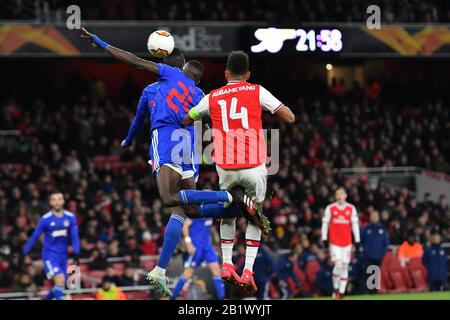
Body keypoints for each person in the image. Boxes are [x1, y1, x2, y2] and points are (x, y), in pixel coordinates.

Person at [80, 28, 258, 296]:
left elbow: (139, 114)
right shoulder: (198, 93)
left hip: (165, 142)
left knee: (170, 200)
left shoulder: (154, 87)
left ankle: (229, 198)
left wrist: (128, 140)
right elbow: (213, 124)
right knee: (189, 210)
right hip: (188, 148)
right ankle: (235, 210)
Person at [183, 50, 295, 294]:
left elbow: (187, 118)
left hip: (225, 166)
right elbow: (289, 116)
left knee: (228, 212)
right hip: (254, 164)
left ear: (225, 74)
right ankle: (248, 271)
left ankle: (226, 264)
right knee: (257, 213)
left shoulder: (212, 97)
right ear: (248, 74)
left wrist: (200, 116)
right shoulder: (257, 90)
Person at [22, 192, 80, 300]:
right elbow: (34, 236)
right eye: (54, 199)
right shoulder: (45, 219)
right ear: (50, 202)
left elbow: (75, 236)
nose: (57, 202)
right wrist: (24, 252)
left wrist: (77, 253)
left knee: (59, 285)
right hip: (49, 255)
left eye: (59, 199)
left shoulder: (70, 218)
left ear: (63, 201)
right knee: (60, 279)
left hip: (63, 255)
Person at [321, 187, 360, 299]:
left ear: (345, 195)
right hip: (335, 242)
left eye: (341, 194)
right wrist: (324, 237)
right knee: (338, 265)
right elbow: (325, 223)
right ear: (335, 196)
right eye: (337, 194)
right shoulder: (330, 208)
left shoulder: (351, 208)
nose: (340, 196)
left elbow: (355, 225)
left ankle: (341, 293)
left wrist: (357, 240)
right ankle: (336, 288)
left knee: (345, 266)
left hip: (347, 243)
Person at [171, 217, 225, 300]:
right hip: (196, 247)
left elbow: (210, 226)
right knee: (188, 273)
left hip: (207, 246)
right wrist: (188, 243)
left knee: (217, 271)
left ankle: (222, 298)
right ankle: (173, 297)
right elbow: (185, 226)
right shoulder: (197, 210)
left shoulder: (211, 212)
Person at [360, 210, 389, 293]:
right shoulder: (366, 229)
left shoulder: (382, 229)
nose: (374, 218)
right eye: (373, 216)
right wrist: (364, 251)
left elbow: (386, 242)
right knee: (368, 272)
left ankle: (374, 291)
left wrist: (383, 252)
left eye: (376, 216)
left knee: (376, 273)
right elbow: (361, 241)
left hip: (379, 256)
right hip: (368, 256)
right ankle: (368, 291)